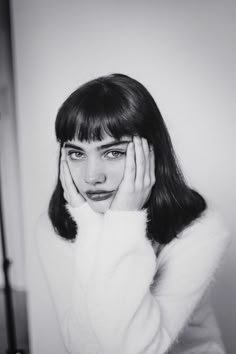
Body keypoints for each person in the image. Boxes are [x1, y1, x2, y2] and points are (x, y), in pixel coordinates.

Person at [36, 73, 230, 354]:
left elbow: (136, 349)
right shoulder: (54, 227)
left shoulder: (201, 229)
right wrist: (91, 225)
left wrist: (124, 220)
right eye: (77, 153)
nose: (92, 176)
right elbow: (81, 346)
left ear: (152, 153)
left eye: (113, 152)